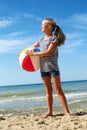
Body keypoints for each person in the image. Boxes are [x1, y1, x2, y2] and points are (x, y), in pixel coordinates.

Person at [26, 18, 72, 118]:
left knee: (58, 90)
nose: (41, 27)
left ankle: (67, 112)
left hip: (53, 68)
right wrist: (22, 54)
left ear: (49, 27)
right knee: (48, 91)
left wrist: (34, 53)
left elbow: (48, 52)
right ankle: (50, 112)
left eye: (42, 25)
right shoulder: (41, 39)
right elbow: (30, 48)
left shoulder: (53, 39)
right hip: (43, 69)